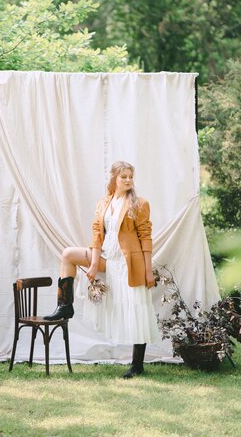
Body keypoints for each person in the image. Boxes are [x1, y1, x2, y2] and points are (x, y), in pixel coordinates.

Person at [44, 160, 160, 378]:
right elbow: (97, 235)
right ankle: (65, 305)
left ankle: (137, 365)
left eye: (130, 177)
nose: (128, 180)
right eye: (123, 176)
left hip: (128, 263)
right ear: (114, 178)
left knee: (137, 310)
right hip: (107, 257)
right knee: (68, 254)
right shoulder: (104, 203)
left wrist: (148, 271)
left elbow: (145, 237)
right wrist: (94, 264)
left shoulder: (139, 204)